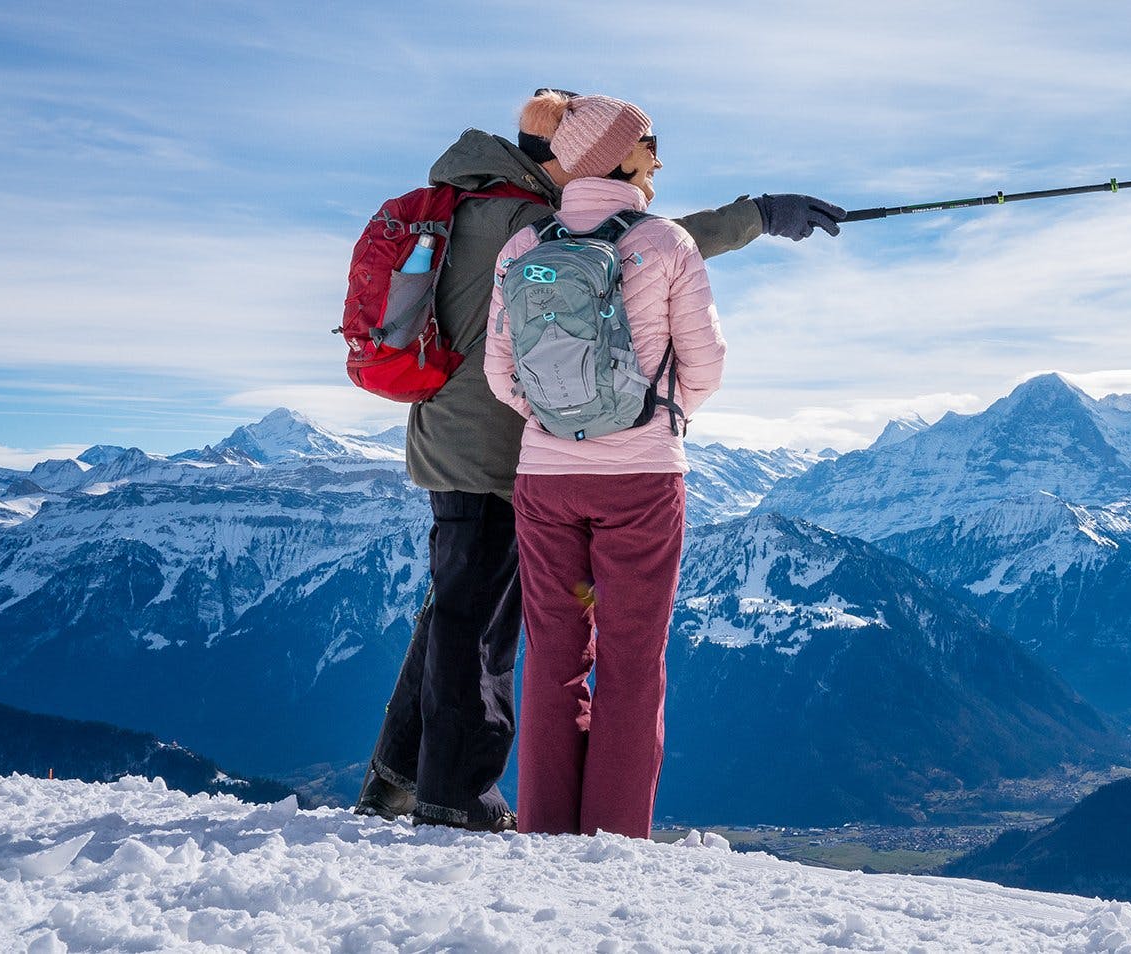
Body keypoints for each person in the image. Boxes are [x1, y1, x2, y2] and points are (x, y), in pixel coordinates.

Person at [355, 90, 843, 832]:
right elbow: (659, 241)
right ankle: (455, 795)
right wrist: (759, 217)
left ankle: (399, 774)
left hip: (457, 436)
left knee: (459, 607)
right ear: (557, 154)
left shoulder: (462, 207)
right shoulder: (527, 222)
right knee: (485, 621)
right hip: (510, 449)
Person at [482, 92, 712, 838]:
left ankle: (544, 826)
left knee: (552, 650)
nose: (660, 156)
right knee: (633, 654)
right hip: (642, 478)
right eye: (650, 140)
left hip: (546, 480)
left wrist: (560, 427)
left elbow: (500, 375)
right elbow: (705, 365)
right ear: (617, 152)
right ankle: (615, 837)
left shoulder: (522, 248)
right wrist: (649, 422)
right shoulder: (667, 242)